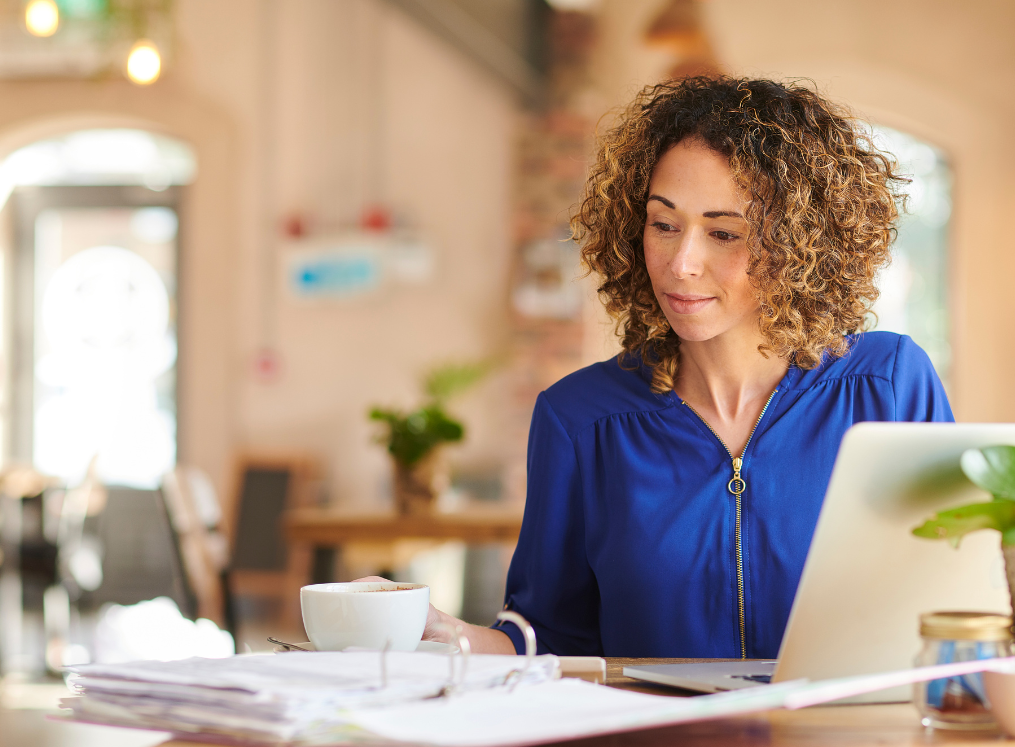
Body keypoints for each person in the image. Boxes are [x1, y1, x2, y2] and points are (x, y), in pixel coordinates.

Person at [366, 75, 952, 658]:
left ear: (800, 244)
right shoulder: (579, 420)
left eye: (724, 233)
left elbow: (959, 605)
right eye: (663, 224)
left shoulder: (889, 387)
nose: (681, 262)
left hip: (847, 745)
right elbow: (550, 638)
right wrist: (449, 633)